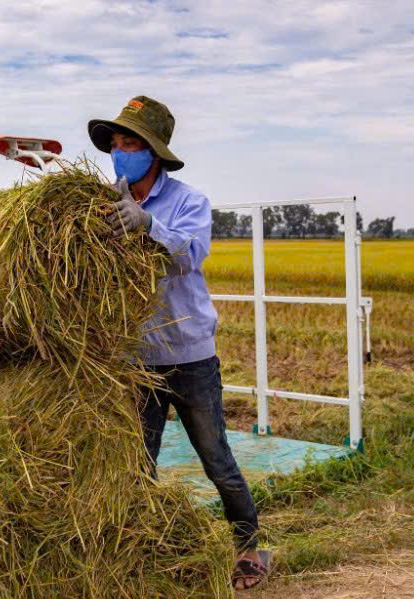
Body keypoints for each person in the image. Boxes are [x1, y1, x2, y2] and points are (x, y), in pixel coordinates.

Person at [88, 96, 269, 591]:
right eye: (116, 144)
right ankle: (141, 548)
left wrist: (147, 225)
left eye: (131, 143)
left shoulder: (189, 201)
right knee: (136, 463)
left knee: (216, 458)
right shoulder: (101, 204)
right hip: (137, 359)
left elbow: (189, 255)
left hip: (189, 356)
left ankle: (249, 546)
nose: (121, 151)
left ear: (155, 151)